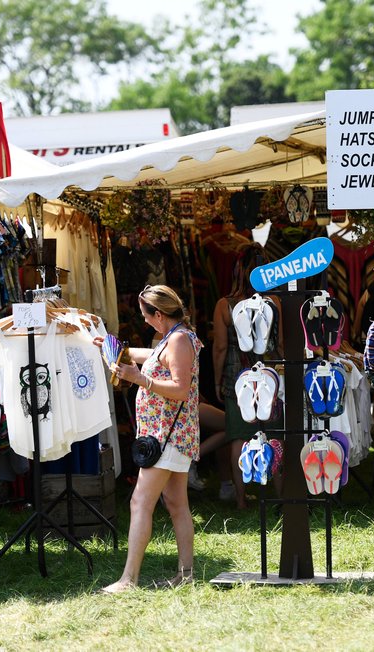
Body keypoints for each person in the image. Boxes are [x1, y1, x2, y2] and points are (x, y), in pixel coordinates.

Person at [99, 284, 203, 592]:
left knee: (139, 502)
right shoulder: (174, 338)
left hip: (169, 436)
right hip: (172, 434)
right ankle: (186, 574)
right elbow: (153, 355)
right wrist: (110, 346)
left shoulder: (180, 340)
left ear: (159, 314)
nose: (144, 322)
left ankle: (128, 580)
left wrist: (140, 379)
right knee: (175, 503)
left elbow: (180, 389)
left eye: (146, 317)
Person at [211, 242, 280, 508]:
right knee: (274, 434)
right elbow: (280, 343)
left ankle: (241, 500)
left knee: (238, 438)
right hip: (269, 377)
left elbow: (219, 348)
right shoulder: (274, 302)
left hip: (235, 377)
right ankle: (280, 493)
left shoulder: (224, 305)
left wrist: (217, 381)